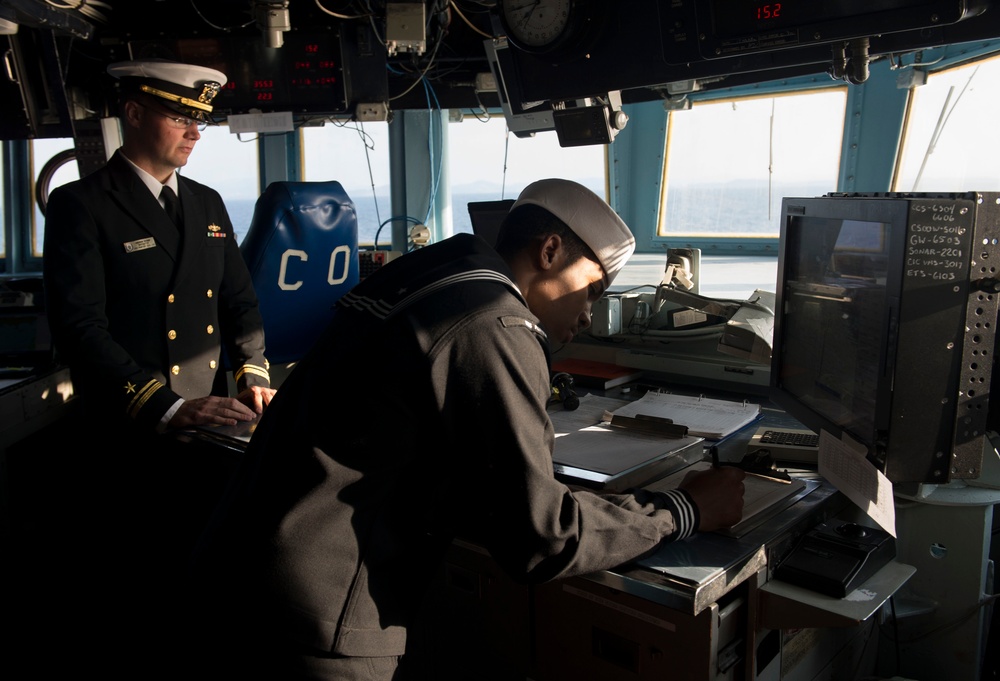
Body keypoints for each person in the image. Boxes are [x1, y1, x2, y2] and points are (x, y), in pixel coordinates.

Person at [188, 178, 745, 679]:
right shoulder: (495, 322)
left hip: (239, 572)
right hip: (315, 614)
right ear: (549, 251)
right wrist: (682, 510)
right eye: (593, 289)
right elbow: (541, 537)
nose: (589, 317)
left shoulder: (433, 272)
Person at [38, 60, 275, 673]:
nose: (196, 132)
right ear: (134, 114)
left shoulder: (207, 202)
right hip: (131, 434)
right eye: (181, 116)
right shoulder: (81, 205)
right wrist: (165, 405)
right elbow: (79, 326)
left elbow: (240, 305)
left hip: (211, 432)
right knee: (139, 599)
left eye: (201, 120)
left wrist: (254, 376)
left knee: (203, 587)